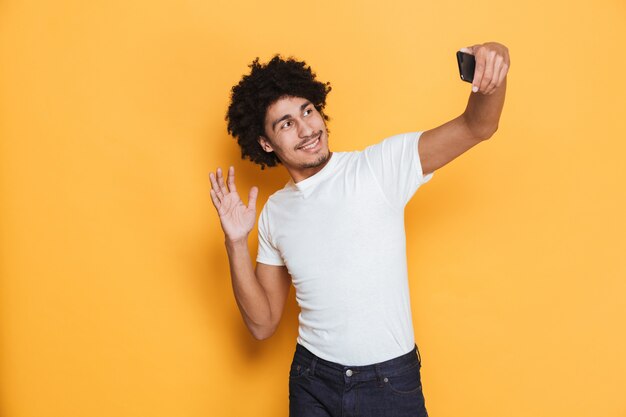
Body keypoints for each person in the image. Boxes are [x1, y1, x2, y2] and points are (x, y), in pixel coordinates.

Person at [209, 42, 510, 417]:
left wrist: (494, 61)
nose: (307, 128)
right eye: (287, 123)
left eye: (308, 111)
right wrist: (236, 242)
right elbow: (263, 324)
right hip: (312, 380)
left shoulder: (378, 168)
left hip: (388, 384)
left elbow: (477, 126)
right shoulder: (275, 212)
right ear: (266, 143)